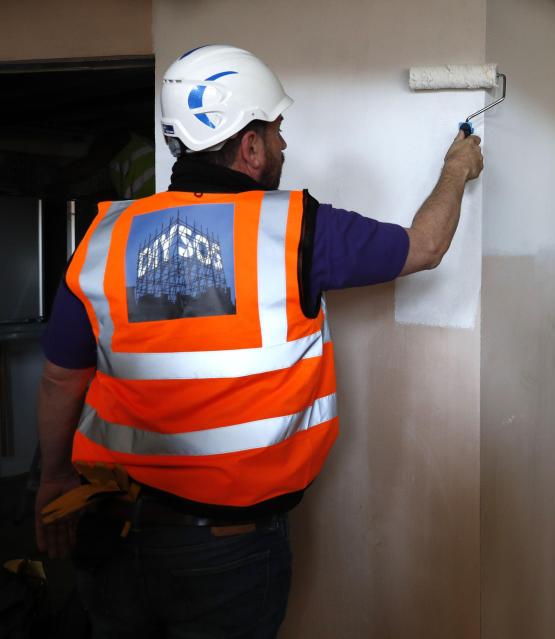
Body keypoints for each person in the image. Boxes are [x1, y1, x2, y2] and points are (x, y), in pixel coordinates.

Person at [34, 44, 483, 638]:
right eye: (276, 130)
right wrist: (456, 172)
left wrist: (53, 477)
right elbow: (424, 247)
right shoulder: (297, 229)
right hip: (228, 553)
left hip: (111, 531)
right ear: (248, 146)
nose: (283, 145)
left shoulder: (103, 239)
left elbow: (60, 378)